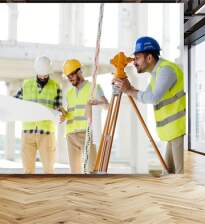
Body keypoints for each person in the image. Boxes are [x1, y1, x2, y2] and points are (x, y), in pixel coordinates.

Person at [113, 36, 186, 174]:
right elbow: (144, 95)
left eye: (137, 58)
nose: (134, 62)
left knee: (179, 176)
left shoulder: (166, 71)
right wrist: (129, 88)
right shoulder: (156, 74)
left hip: (178, 130)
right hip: (172, 132)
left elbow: (153, 98)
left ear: (149, 58)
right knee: (168, 174)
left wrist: (129, 90)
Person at [0, 56, 62, 174]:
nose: (43, 77)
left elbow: (59, 108)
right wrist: (0, 104)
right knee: (28, 171)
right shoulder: (26, 85)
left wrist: (62, 115)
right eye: (41, 74)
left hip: (47, 134)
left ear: (49, 72)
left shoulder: (55, 87)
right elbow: (14, 103)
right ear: (36, 71)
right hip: (28, 133)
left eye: (45, 75)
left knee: (49, 171)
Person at [60, 59, 109, 174]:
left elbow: (107, 106)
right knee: (75, 173)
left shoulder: (94, 88)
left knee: (92, 171)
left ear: (79, 71)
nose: (70, 78)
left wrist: (98, 103)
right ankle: (77, 192)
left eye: (72, 74)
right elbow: (71, 113)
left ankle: (93, 192)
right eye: (68, 76)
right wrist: (63, 115)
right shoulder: (69, 93)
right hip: (71, 135)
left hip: (86, 133)